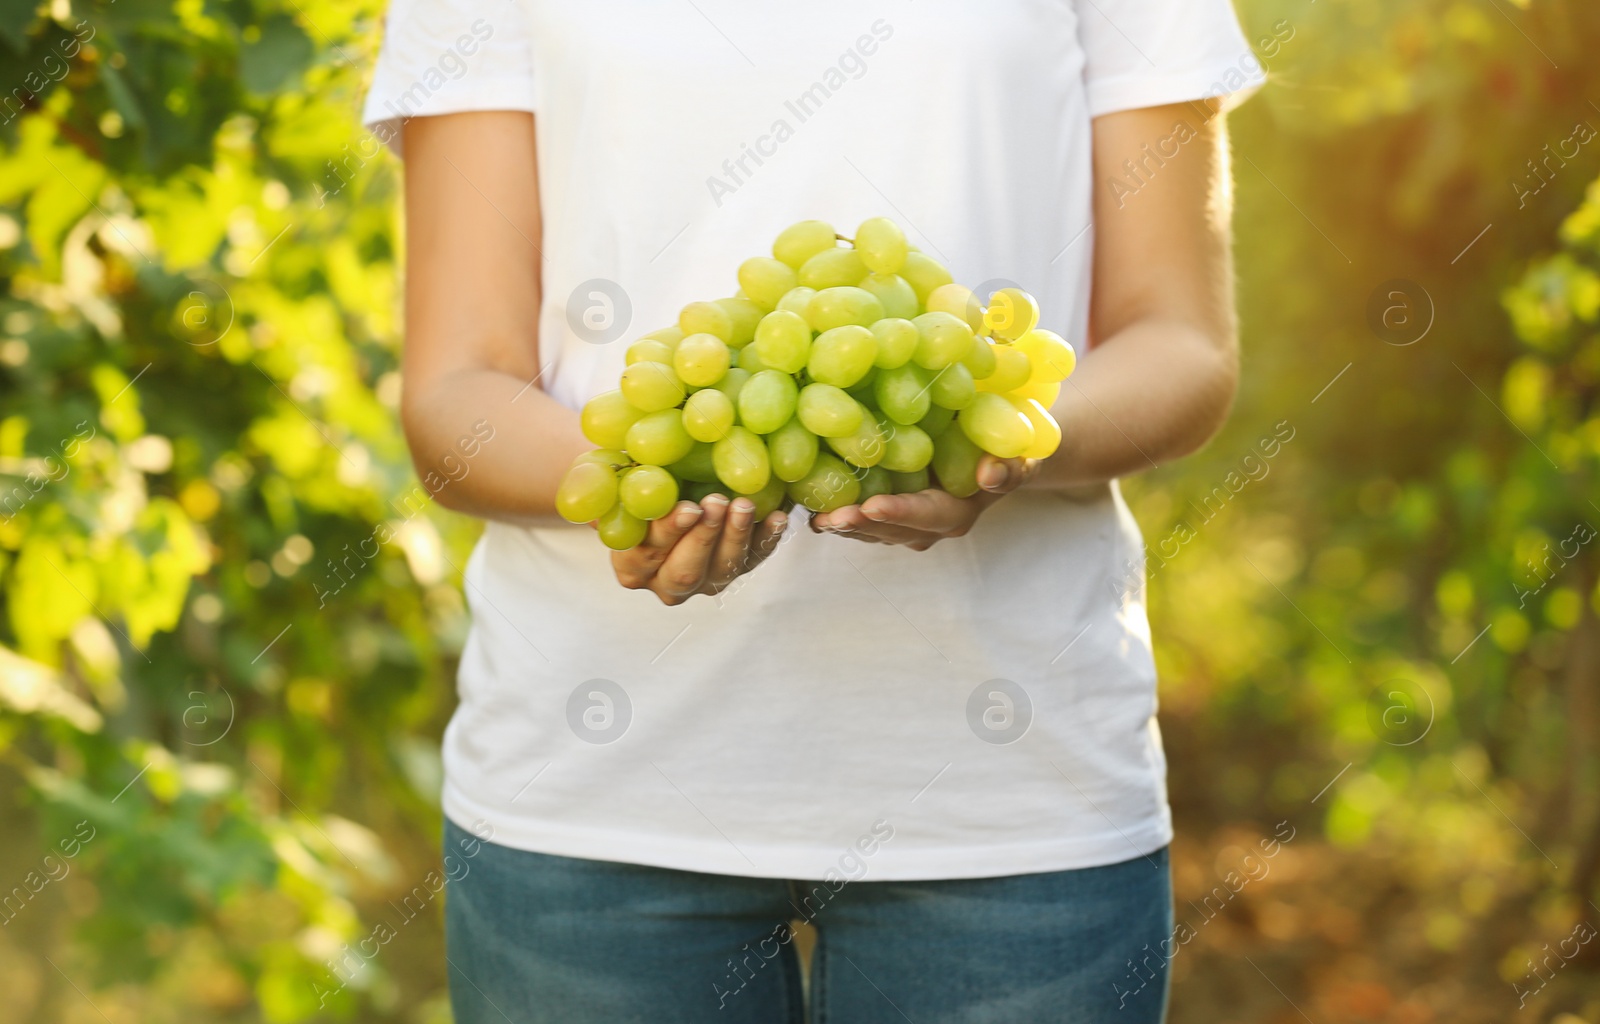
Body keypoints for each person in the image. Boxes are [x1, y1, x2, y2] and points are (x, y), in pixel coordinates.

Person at [365, 1, 1257, 1020]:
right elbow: (456, 393)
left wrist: (1001, 440)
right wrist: (645, 487)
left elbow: (1181, 345)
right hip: (593, 798)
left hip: (1012, 797)